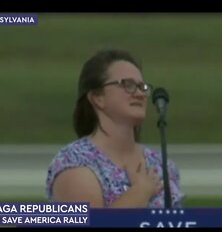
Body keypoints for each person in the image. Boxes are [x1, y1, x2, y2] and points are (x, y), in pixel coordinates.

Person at [45, 49, 184, 208]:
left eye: (142, 87)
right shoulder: (75, 164)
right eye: (128, 85)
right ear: (98, 98)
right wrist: (140, 192)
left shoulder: (161, 164)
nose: (139, 94)